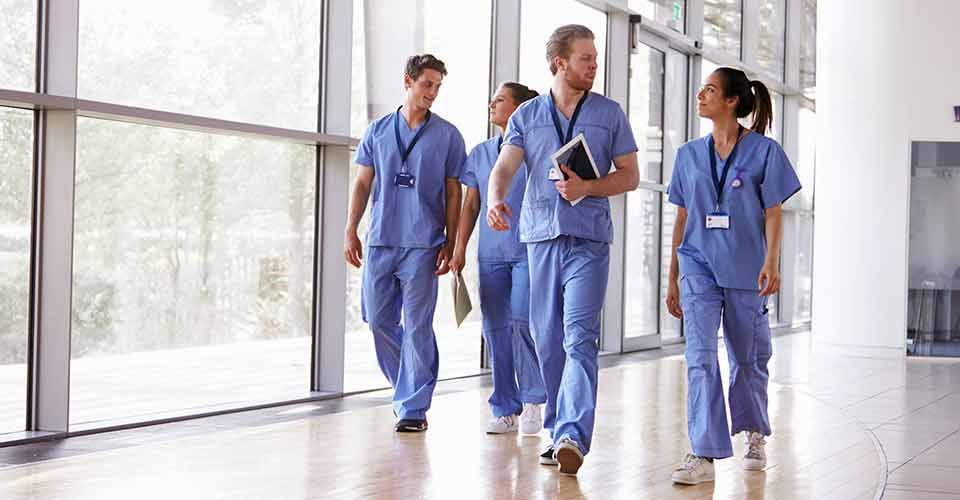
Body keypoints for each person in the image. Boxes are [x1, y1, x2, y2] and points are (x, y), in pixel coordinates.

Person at [486, 25, 640, 475]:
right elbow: (505, 167)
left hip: (589, 240)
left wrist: (589, 187)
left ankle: (573, 432)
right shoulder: (527, 116)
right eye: (586, 59)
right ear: (560, 63)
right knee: (547, 339)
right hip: (540, 239)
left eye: (594, 58)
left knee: (578, 337)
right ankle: (557, 429)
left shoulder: (610, 114)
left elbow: (629, 175)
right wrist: (496, 199)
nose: (594, 66)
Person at [665, 67, 801, 485]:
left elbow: (774, 210)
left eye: (709, 89)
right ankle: (703, 452)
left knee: (748, 358)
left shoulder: (765, 151)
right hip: (698, 267)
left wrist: (772, 262)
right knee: (700, 357)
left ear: (732, 101)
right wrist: (672, 276)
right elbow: (682, 216)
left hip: (746, 267)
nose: (700, 94)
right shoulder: (688, 154)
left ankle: (754, 432)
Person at [344, 54, 466, 433]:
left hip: (424, 243)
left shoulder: (447, 135)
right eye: (427, 84)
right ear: (408, 82)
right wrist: (351, 229)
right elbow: (363, 183)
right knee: (378, 319)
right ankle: (406, 388)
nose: (433, 92)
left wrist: (451, 239)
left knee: (417, 326)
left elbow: (453, 192)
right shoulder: (378, 130)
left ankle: (413, 407)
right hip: (381, 240)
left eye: (438, 86)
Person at [449, 82, 546, 436]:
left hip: (527, 250)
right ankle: (506, 407)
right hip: (490, 254)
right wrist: (459, 248)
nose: (492, 103)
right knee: (495, 331)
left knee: (521, 322)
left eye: (501, 99)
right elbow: (471, 204)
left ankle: (534, 398)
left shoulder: (536, 151)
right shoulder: (480, 153)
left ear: (520, 109)